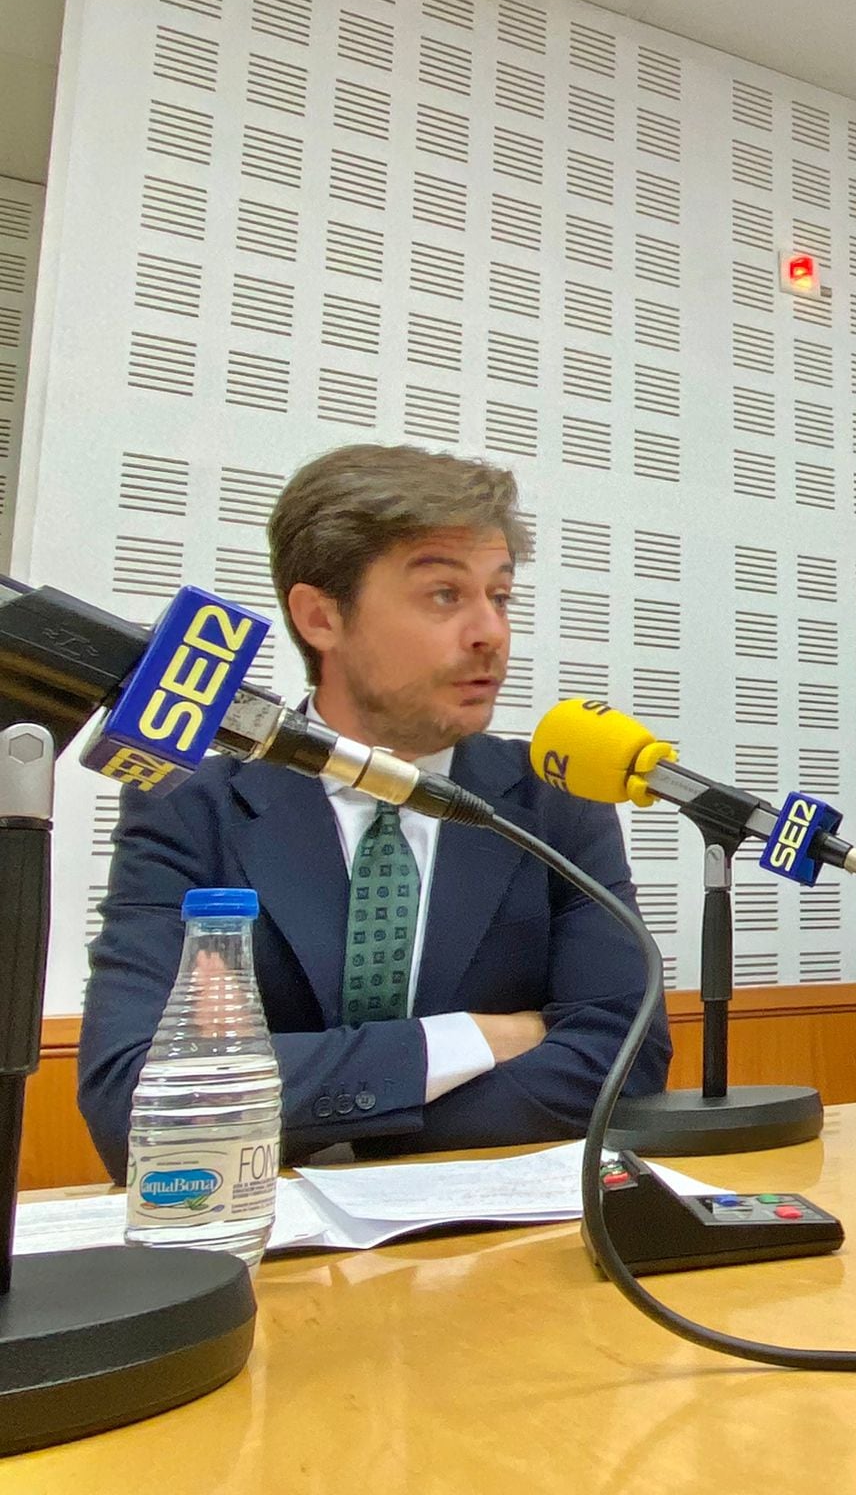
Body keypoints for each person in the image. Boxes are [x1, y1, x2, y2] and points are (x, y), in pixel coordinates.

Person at [78, 444, 670, 1174]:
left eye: (501, 595)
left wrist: (329, 1125)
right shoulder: (192, 802)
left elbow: (623, 1062)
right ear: (320, 616)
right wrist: (466, 1043)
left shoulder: (553, 799)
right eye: (446, 595)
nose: (491, 632)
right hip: (274, 1253)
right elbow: (135, 1100)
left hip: (501, 1246)